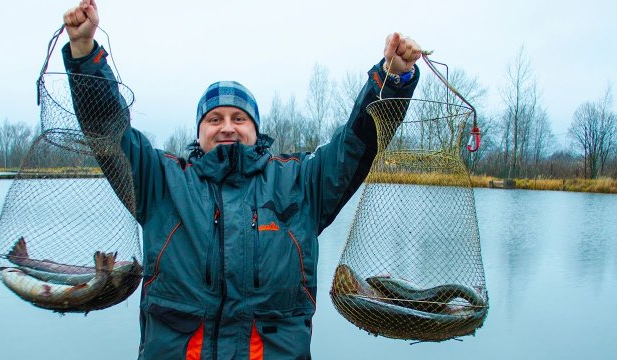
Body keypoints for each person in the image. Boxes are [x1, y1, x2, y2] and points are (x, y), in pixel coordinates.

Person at [62, 0, 421, 358]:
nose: (227, 127)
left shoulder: (300, 183)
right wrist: (84, 53)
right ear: (199, 132)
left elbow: (357, 144)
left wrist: (392, 81)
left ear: (255, 129)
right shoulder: (161, 181)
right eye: (214, 119)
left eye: (239, 117)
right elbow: (108, 129)